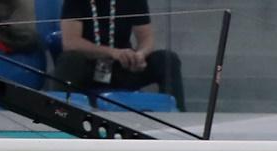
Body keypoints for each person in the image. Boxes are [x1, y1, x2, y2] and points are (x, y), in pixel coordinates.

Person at [51, 0, 185, 110]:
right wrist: (112, 52)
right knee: (69, 60)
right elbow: (71, 43)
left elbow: (146, 38)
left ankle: (178, 117)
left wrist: (140, 55)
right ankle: (59, 113)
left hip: (123, 66)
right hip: (89, 65)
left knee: (167, 59)